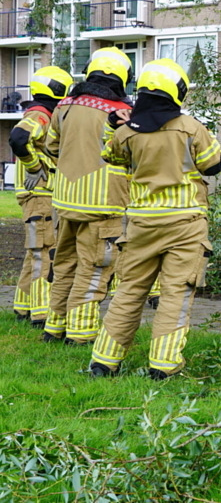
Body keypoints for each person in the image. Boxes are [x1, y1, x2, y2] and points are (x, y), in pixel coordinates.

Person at [91, 59, 221, 379]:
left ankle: (103, 362)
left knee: (129, 291)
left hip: (140, 225)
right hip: (185, 225)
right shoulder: (191, 127)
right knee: (176, 293)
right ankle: (163, 366)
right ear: (177, 91)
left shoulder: (126, 132)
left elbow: (109, 154)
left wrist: (114, 124)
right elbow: (213, 165)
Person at [42, 48, 133, 344]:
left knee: (64, 264)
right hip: (104, 204)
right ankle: (80, 333)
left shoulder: (64, 105)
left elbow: (51, 148)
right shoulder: (122, 112)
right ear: (123, 77)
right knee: (94, 267)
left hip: (65, 201)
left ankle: (54, 326)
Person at [9, 66, 74, 325]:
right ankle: (41, 313)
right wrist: (35, 167)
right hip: (40, 194)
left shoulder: (39, 112)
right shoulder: (41, 114)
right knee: (45, 252)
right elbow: (18, 138)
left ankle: (22, 307)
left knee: (34, 252)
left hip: (36, 194)